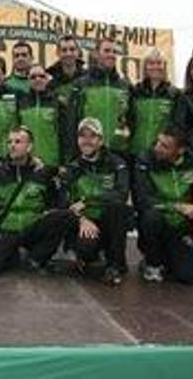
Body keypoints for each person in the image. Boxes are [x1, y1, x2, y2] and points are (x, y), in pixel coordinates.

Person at [0, 126, 70, 277]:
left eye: (18, 142)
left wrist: (49, 212)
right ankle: (11, 254)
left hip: (33, 226)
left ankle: (37, 258)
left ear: (29, 146)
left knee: (64, 216)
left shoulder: (42, 172)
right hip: (8, 229)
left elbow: (56, 198)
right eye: (9, 142)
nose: (12, 145)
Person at [60, 118, 130, 285]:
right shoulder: (72, 168)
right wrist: (81, 220)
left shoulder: (117, 164)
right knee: (86, 247)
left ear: (100, 140)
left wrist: (89, 201)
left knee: (119, 209)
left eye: (92, 136)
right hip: (85, 223)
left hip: (108, 221)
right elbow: (64, 202)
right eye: (82, 136)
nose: (87, 141)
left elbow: (121, 194)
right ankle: (83, 254)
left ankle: (116, 264)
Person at [132, 130, 193, 285]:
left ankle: (171, 258)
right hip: (159, 221)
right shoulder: (145, 160)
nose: (157, 148)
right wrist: (177, 207)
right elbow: (144, 199)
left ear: (180, 150)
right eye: (157, 142)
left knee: (187, 277)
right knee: (150, 217)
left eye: (165, 146)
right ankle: (152, 263)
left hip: (183, 227)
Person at [72, 37, 131, 156]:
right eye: (107, 51)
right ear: (96, 54)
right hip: (88, 151)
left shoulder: (125, 85)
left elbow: (131, 119)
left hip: (118, 153)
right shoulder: (81, 84)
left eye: (114, 52)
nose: (111, 55)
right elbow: (72, 121)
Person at [127, 49, 180, 159]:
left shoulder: (174, 94)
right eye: (151, 63)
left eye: (159, 63)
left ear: (164, 67)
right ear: (145, 67)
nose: (155, 67)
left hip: (160, 154)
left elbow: (176, 125)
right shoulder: (135, 91)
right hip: (135, 152)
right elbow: (129, 119)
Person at [46, 35, 86, 161]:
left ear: (78, 52)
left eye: (72, 49)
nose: (68, 53)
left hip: (86, 141)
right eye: (64, 50)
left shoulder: (88, 79)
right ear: (58, 53)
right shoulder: (51, 85)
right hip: (61, 144)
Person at [17, 64, 66, 168]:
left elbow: (65, 134)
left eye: (41, 76)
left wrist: (64, 162)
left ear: (47, 79)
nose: (37, 79)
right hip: (27, 163)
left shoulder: (57, 102)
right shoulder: (21, 103)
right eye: (33, 77)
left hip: (52, 162)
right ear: (28, 80)